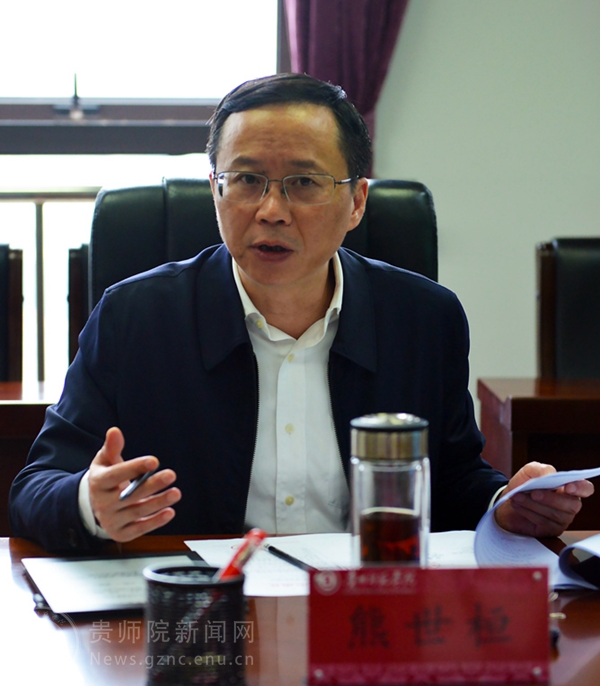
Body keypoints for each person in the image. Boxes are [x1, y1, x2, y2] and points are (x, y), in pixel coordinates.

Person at [9, 74, 593, 553]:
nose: (271, 210)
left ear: (356, 201)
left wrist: (505, 506)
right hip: (204, 618)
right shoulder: (135, 317)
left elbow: (454, 479)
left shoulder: (423, 318)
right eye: (246, 180)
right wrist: (90, 502)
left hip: (364, 613)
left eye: (304, 183)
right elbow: (36, 486)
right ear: (215, 191)